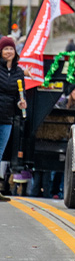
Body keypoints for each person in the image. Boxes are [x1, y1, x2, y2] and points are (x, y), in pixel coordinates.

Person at [0, 36, 26, 202]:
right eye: (6, 49)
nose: (9, 52)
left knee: (0, 152)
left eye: (11, 49)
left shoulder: (19, 72)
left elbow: (19, 96)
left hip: (7, 117)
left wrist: (21, 103)